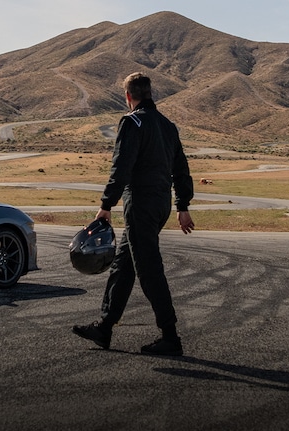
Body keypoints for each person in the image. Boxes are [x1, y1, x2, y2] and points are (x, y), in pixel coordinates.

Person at [72, 72, 195, 356]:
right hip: (161, 203)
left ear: (128, 96)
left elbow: (122, 166)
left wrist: (106, 204)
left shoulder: (132, 122)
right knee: (123, 265)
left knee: (149, 269)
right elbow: (181, 169)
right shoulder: (167, 125)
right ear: (150, 93)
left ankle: (170, 336)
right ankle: (104, 326)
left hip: (140, 203)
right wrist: (182, 206)